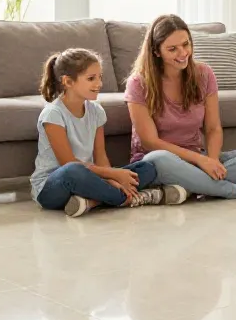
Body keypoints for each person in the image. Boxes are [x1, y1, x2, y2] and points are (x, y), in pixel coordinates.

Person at [126, 14, 236, 200]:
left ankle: (188, 187)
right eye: (172, 49)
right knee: (159, 159)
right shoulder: (138, 83)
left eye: (186, 44)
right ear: (156, 51)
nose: (183, 53)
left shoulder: (204, 74)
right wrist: (201, 160)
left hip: (196, 159)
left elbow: (213, 128)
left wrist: (212, 161)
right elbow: (150, 142)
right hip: (157, 161)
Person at [31, 48, 171, 217]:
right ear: (68, 82)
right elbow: (67, 162)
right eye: (91, 78)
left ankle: (92, 201)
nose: (99, 84)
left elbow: (100, 156)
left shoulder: (96, 111)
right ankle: (128, 198)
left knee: (147, 167)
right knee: (73, 170)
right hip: (54, 187)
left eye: (100, 77)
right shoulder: (53, 114)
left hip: (91, 178)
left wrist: (111, 179)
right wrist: (112, 175)